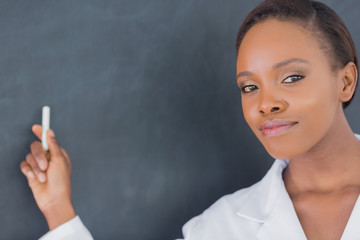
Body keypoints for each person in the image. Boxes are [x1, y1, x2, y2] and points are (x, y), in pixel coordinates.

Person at [20, 0, 360, 239]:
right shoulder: (218, 228)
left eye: (291, 77)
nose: (265, 104)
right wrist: (57, 208)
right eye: (249, 86)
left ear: (345, 82)